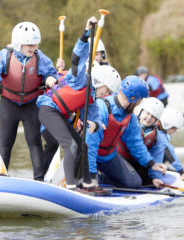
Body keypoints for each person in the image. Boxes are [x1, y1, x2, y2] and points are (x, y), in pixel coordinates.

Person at [37, 16, 119, 195]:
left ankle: (87, 183)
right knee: (70, 145)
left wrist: (95, 124)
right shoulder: (80, 78)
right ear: (100, 81)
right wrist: (86, 31)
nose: (106, 95)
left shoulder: (91, 98)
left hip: (59, 114)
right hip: (48, 109)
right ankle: (71, 186)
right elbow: (76, 56)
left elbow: (94, 116)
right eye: (107, 90)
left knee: (83, 145)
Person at [0, 21, 57, 181]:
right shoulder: (3, 55)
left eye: (35, 44)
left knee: (34, 141)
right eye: (29, 44)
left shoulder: (39, 57)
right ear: (18, 42)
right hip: (9, 103)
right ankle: (1, 176)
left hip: (31, 104)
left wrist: (50, 78)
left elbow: (51, 72)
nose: (33, 47)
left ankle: (39, 179)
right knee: (5, 142)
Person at [86, 76, 168, 189]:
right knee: (89, 176)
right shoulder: (102, 108)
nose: (139, 104)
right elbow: (90, 144)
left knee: (135, 183)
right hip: (88, 155)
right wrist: (91, 175)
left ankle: (101, 179)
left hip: (107, 157)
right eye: (139, 101)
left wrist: (151, 164)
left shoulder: (130, 117)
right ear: (133, 98)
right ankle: (89, 176)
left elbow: (136, 144)